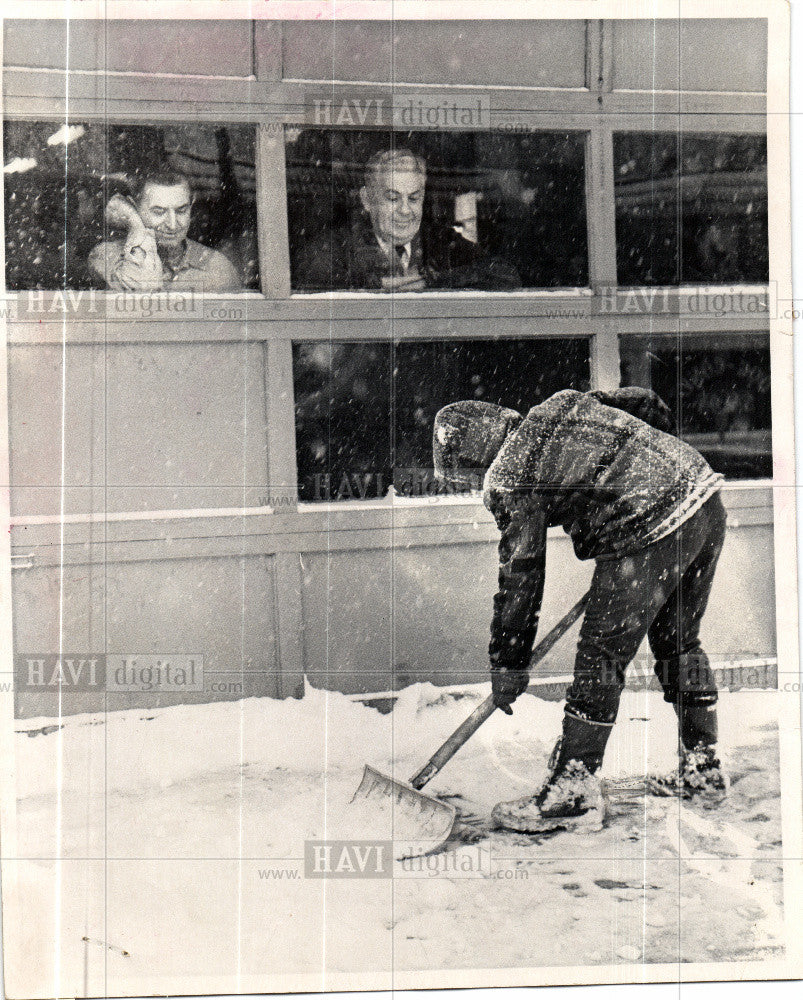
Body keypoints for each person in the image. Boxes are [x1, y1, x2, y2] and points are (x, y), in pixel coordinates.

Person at [432, 386, 728, 833]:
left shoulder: (510, 474)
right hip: (703, 497)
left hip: (645, 528)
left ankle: (573, 790)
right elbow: (643, 401)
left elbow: (522, 573)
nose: (476, 488)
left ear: (473, 458)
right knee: (679, 643)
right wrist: (653, 470)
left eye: (466, 480)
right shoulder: (561, 403)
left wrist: (508, 662)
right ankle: (703, 768)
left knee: (600, 658)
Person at [294, 148, 520, 292]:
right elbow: (314, 297)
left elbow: (505, 275)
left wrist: (433, 282)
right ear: (367, 200)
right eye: (392, 198)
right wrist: (375, 287)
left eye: (414, 198)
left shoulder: (439, 241)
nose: (405, 210)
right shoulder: (331, 250)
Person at [88, 169, 241, 292]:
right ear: (135, 208)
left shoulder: (218, 268)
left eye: (181, 210)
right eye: (159, 211)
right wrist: (135, 224)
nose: (173, 225)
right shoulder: (106, 256)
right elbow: (143, 288)